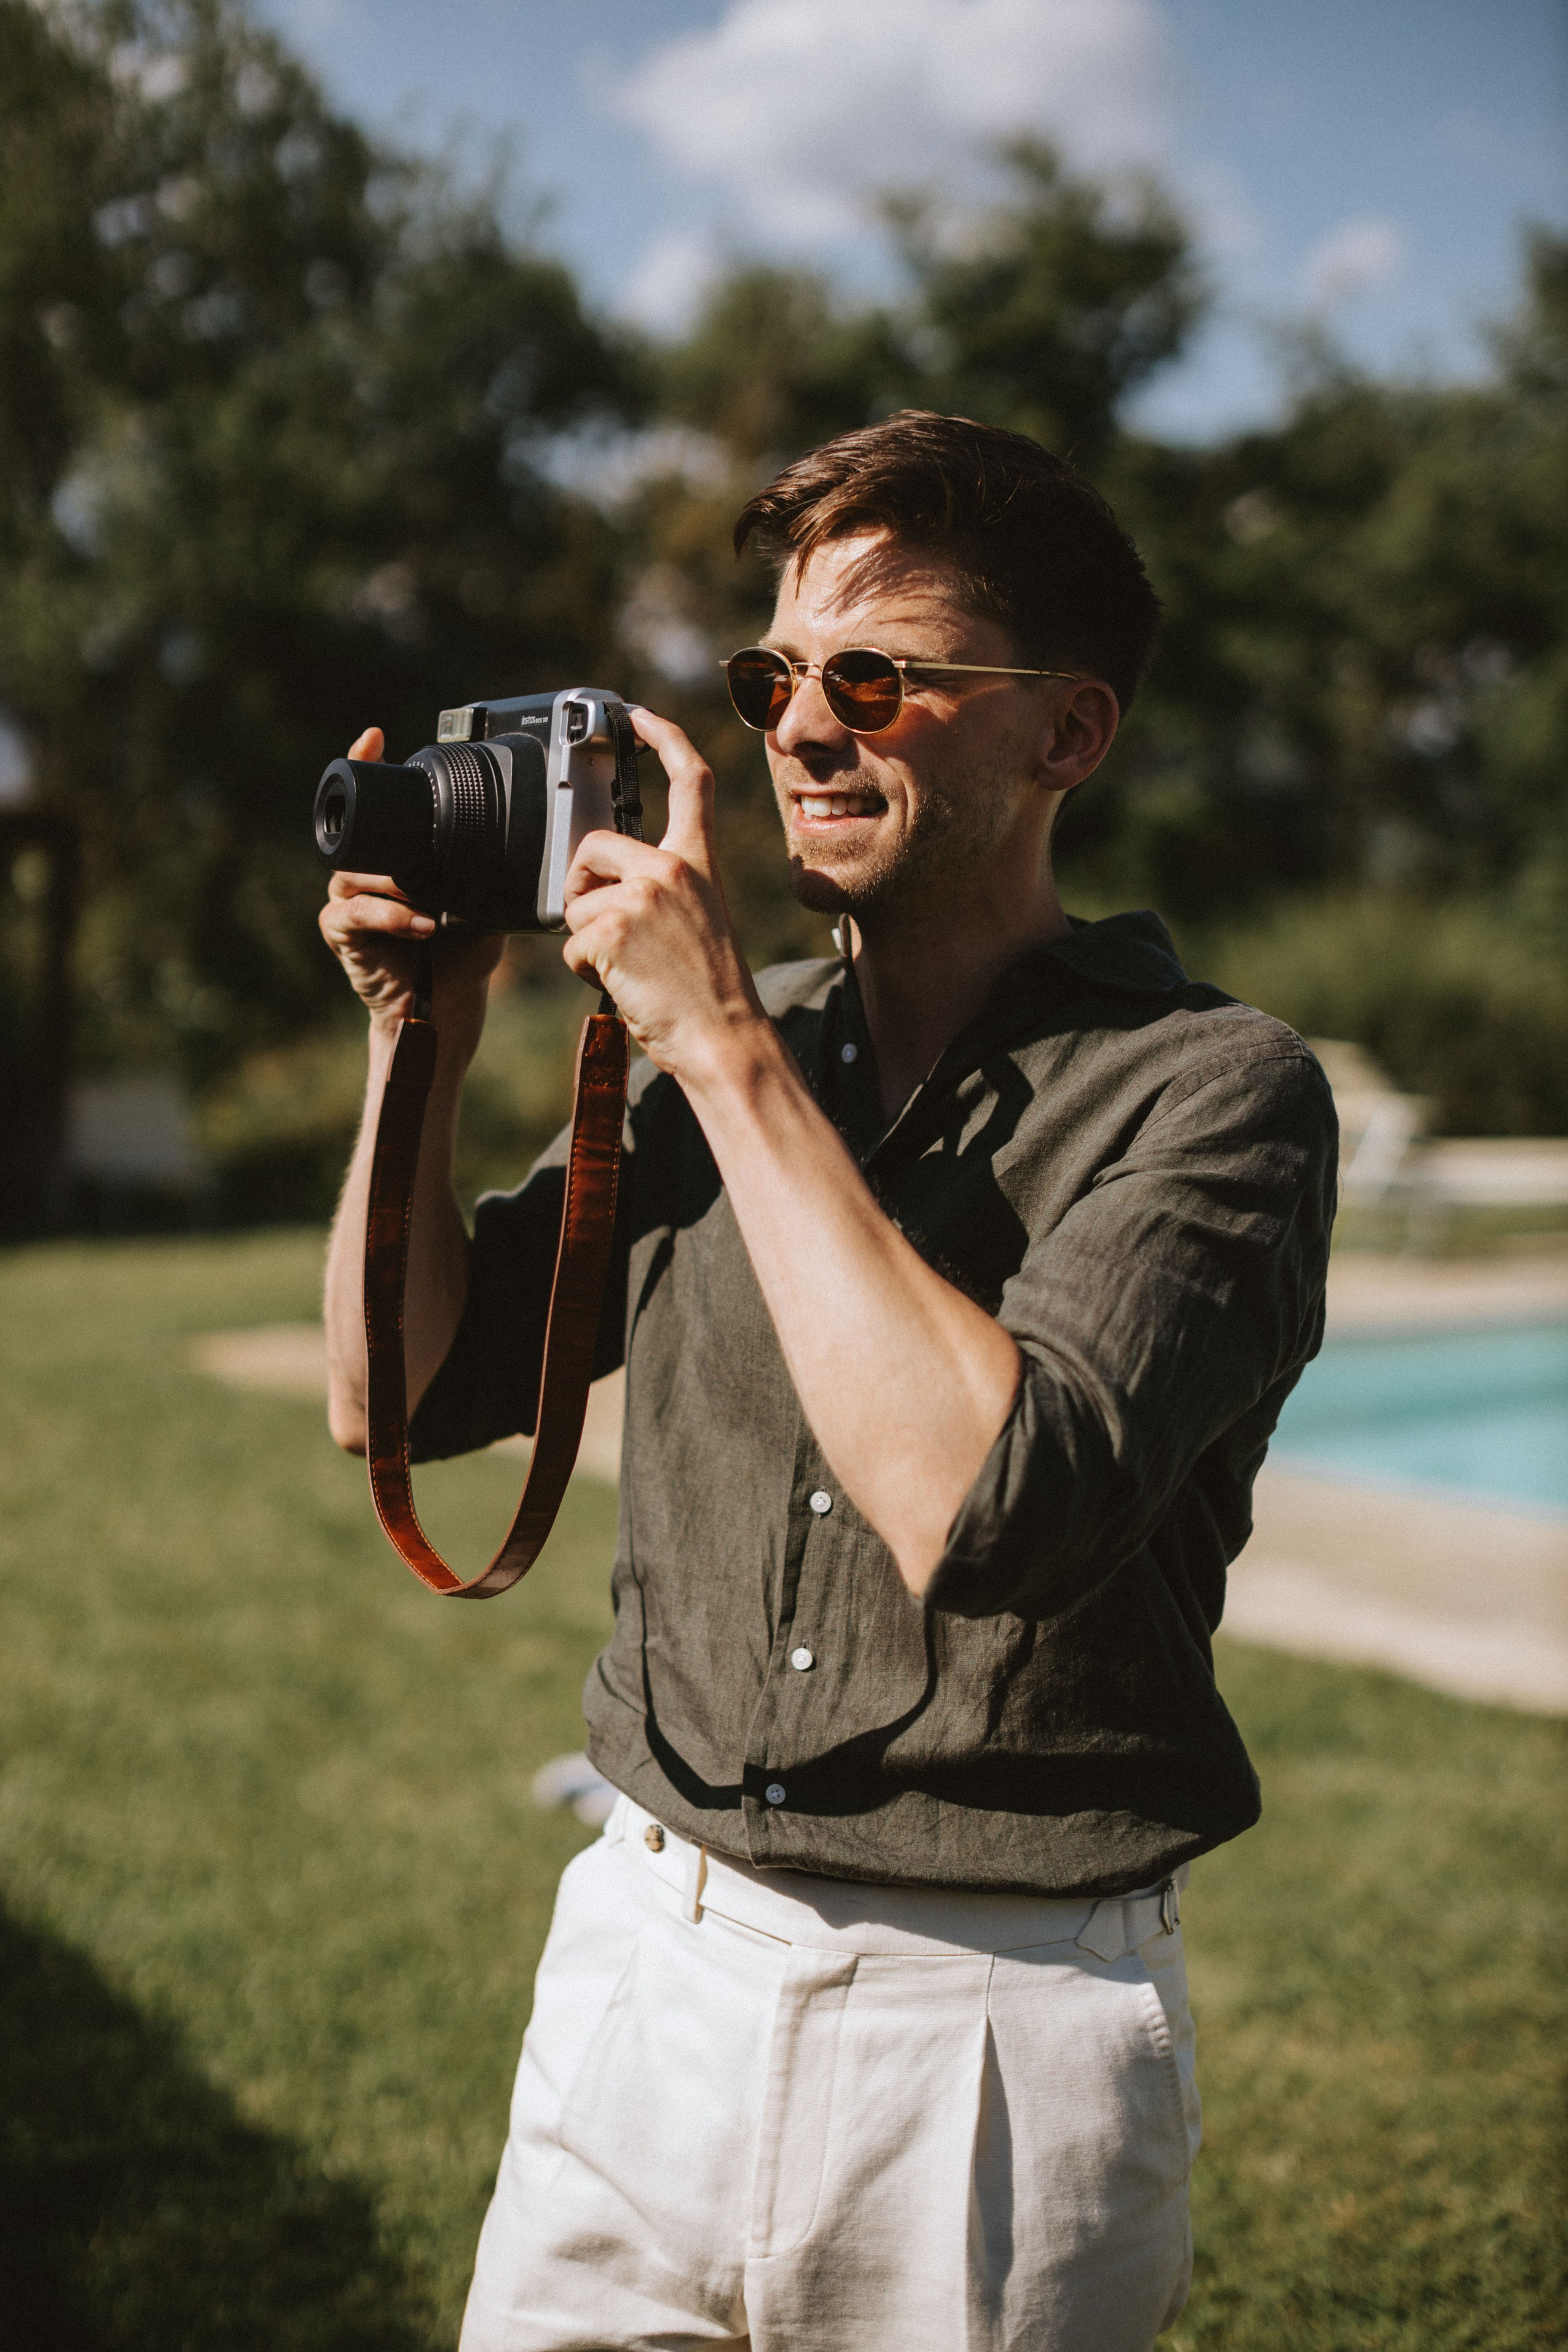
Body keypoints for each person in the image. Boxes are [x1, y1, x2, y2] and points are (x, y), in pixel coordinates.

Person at [320, 411, 1336, 2351]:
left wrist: (716, 1047)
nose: (799, 728)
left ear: (1067, 735)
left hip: (991, 2039)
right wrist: (420, 1044)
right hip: (649, 1958)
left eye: (877, 676)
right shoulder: (726, 1050)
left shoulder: (1217, 1094)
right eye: (771, 675)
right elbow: (400, 1393)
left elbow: (990, 1507)